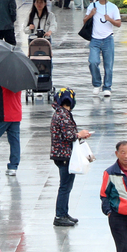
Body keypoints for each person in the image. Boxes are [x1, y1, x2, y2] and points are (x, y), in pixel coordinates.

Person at [50, 89, 91, 227]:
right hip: (64, 156)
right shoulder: (63, 115)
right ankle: (60, 215)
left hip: (62, 155)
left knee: (66, 185)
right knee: (65, 186)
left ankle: (64, 212)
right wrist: (80, 134)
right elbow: (69, 135)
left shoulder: (60, 113)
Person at [85, 0, 121, 97]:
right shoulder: (92, 6)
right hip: (95, 39)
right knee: (93, 61)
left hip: (108, 39)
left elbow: (118, 24)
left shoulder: (113, 7)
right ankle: (97, 84)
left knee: (108, 65)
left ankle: (107, 87)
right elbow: (84, 20)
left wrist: (109, 19)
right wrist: (91, 14)